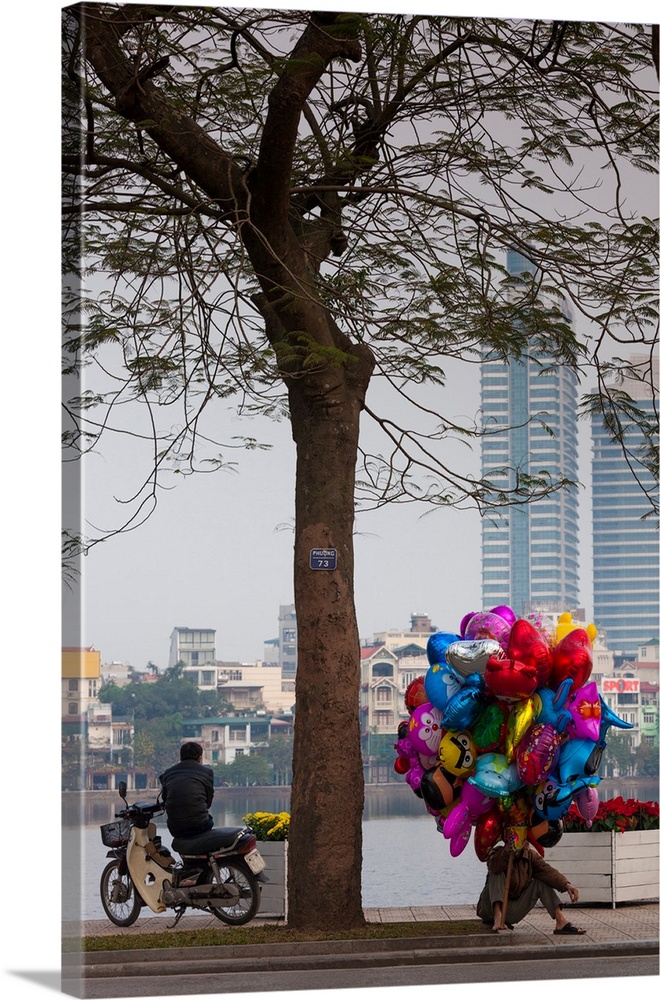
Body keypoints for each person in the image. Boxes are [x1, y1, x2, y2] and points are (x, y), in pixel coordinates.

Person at [476, 840, 586, 934]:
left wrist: (567, 885)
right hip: (489, 907)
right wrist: (508, 851)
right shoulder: (497, 852)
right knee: (497, 872)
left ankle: (560, 921)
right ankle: (498, 915)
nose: (528, 840)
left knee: (540, 883)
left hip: (511, 910)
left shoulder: (530, 856)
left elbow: (548, 871)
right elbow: (495, 866)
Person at [159, 742, 215, 838]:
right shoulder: (207, 772)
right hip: (200, 826)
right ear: (200, 758)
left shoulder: (168, 773)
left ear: (180, 757)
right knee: (209, 820)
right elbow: (208, 803)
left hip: (175, 828)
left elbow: (165, 799)